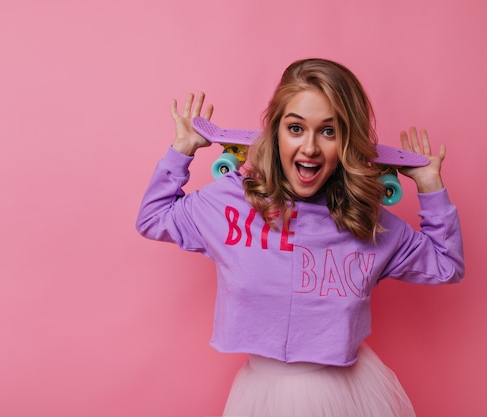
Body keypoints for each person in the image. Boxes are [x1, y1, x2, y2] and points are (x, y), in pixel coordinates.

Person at [136, 58, 465, 417]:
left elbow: (446, 264)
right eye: (296, 128)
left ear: (346, 141)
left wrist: (430, 186)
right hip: (261, 398)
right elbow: (153, 218)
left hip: (345, 397)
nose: (309, 148)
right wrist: (181, 151)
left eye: (328, 131)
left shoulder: (364, 220)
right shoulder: (232, 203)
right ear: (275, 132)